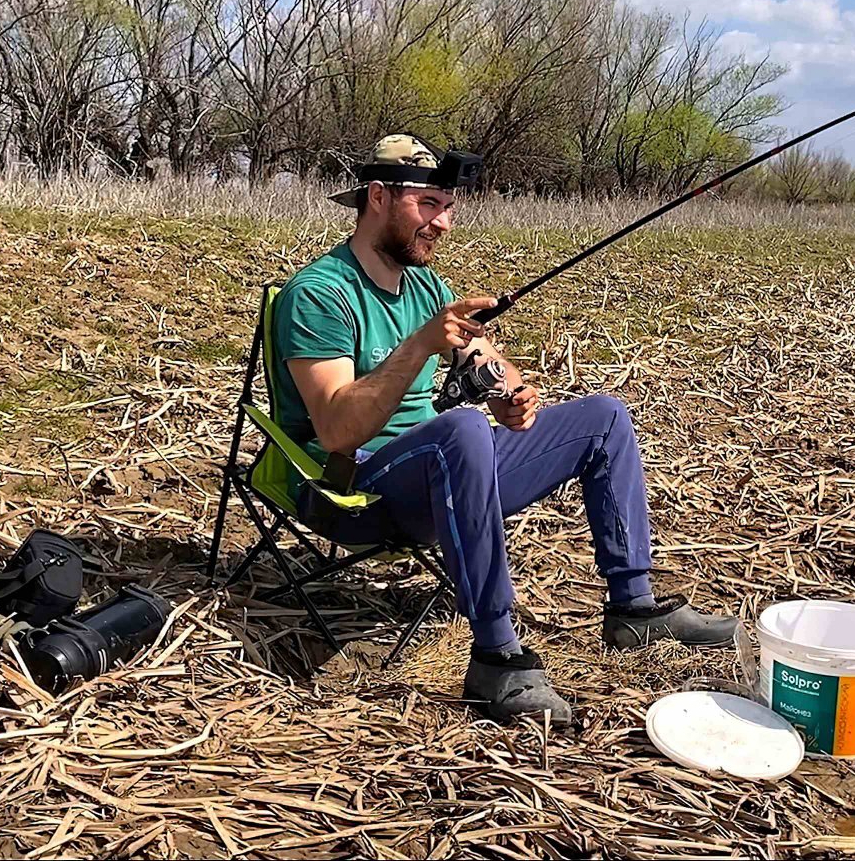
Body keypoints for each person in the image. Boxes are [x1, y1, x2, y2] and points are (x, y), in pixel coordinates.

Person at [271, 135, 736, 724]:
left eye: (448, 206)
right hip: (358, 491)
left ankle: (633, 609)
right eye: (429, 204)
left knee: (603, 418)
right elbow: (337, 431)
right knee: (461, 429)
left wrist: (512, 396)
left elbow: (488, 364)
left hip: (448, 470)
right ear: (380, 198)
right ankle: (497, 656)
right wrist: (419, 346)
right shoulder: (318, 295)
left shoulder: (428, 289)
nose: (443, 222)